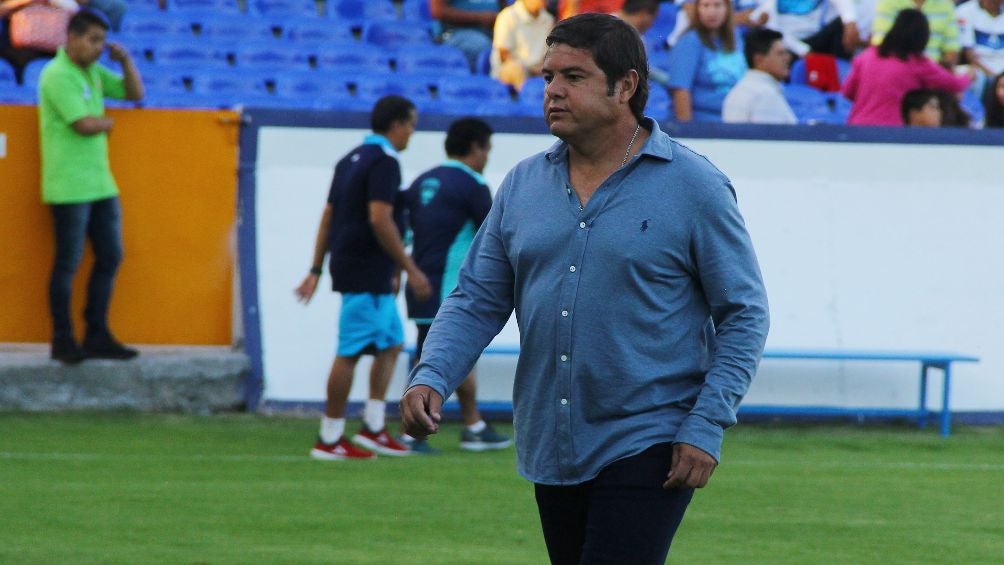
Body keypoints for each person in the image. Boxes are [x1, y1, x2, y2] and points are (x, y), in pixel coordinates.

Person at [401, 13, 769, 563]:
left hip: (650, 437)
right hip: (552, 440)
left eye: (573, 77)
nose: (552, 91)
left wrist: (707, 422)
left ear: (626, 86)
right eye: (548, 76)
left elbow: (744, 313)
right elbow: (477, 298)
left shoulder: (696, 186)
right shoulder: (523, 184)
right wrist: (432, 374)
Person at [295, 95, 432, 461]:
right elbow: (379, 218)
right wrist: (410, 268)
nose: (411, 134)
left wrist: (315, 268)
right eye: (411, 126)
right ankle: (329, 437)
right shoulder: (385, 161)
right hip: (366, 269)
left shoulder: (349, 159)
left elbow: (328, 215)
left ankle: (373, 426)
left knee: (391, 342)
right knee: (350, 351)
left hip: (360, 266)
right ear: (397, 125)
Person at [398, 117, 512, 455]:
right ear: (476, 147)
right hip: (451, 288)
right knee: (445, 354)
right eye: (487, 149)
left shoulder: (422, 180)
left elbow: (404, 232)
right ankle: (415, 433)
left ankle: (472, 424)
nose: (487, 157)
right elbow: (495, 238)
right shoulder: (473, 185)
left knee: (436, 352)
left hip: (419, 283)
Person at [38, 8, 143, 364]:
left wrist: (125, 62)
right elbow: (82, 124)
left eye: (102, 41)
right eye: (93, 40)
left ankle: (96, 334)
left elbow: (134, 93)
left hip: (100, 182)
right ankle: (63, 339)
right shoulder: (56, 74)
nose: (98, 48)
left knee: (111, 255)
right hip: (68, 185)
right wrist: (106, 123)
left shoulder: (93, 72)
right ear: (72, 38)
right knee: (68, 263)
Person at [843, 9, 971, 126]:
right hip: (894, 132)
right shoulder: (918, 63)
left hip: (857, 127)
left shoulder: (867, 55)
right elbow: (955, 85)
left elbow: (848, 91)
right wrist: (969, 75)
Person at [667, 0, 748, 122]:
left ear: (727, 8)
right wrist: (687, 129)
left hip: (735, 120)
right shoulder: (689, 41)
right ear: (697, 9)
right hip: (702, 123)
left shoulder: (737, 38)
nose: (711, 12)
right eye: (705, 5)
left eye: (717, 5)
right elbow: (680, 91)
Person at [722, 27, 797, 123]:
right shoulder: (765, 95)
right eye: (780, 53)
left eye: (786, 53)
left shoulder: (741, 89)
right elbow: (769, 132)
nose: (787, 58)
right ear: (759, 59)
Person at [753, 0, 861, 59]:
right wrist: (804, 51)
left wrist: (850, 23)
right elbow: (772, 28)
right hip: (790, 43)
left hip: (818, 35)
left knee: (843, 23)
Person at [871, 0, 961, 66]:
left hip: (933, 76)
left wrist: (935, 73)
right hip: (897, 71)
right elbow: (881, 47)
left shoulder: (946, 6)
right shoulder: (888, 3)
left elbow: (951, 50)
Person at [491, 0, 555, 89]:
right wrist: (530, 69)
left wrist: (542, 67)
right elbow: (504, 56)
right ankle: (524, 96)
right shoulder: (507, 16)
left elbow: (549, 52)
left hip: (539, 69)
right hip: (513, 69)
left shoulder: (549, 19)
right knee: (514, 68)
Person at [430, 0, 506, 72]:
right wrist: (480, 18)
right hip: (455, 32)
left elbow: (505, 10)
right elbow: (438, 11)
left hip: (493, 30)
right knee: (484, 49)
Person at [956, 0, 1004, 96]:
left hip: (1001, 68)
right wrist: (993, 76)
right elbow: (968, 52)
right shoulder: (965, 11)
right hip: (980, 68)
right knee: (973, 77)